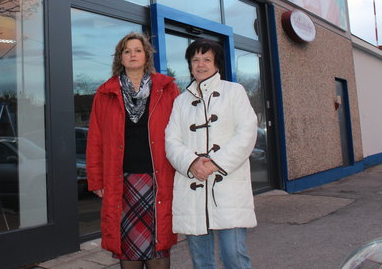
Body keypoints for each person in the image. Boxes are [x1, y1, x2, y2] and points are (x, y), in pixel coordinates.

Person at [86, 32, 180, 269]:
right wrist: (96, 179)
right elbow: (95, 139)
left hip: (159, 178)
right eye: (127, 51)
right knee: (128, 248)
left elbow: (181, 133)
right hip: (122, 182)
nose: (133, 55)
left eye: (138, 50)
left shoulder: (167, 88)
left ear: (146, 55)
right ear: (120, 57)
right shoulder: (105, 93)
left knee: (159, 245)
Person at [165, 39, 257, 269]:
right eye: (195, 60)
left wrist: (215, 163)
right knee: (201, 261)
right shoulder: (180, 101)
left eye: (206, 59)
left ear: (217, 64)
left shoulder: (234, 92)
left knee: (234, 255)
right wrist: (192, 163)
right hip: (192, 188)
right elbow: (171, 141)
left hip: (229, 188)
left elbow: (247, 133)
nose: (200, 64)